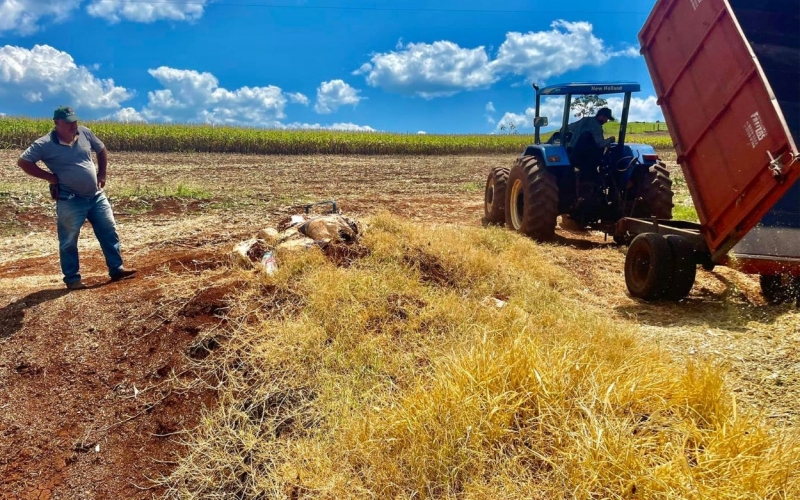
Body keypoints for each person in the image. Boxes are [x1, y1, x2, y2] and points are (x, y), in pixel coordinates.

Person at [17, 106, 136, 290]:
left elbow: (101, 149)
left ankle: (116, 269)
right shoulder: (44, 144)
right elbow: (23, 162)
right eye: (69, 122)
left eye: (75, 121)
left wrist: (102, 173)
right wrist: (49, 176)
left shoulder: (84, 133)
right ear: (56, 123)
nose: (74, 125)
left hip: (96, 197)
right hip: (70, 199)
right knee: (69, 240)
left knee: (108, 230)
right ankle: (72, 279)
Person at [566, 107, 617, 172]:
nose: (606, 121)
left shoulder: (584, 120)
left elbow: (568, 127)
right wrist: (610, 139)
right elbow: (600, 144)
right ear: (601, 116)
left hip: (571, 152)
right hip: (585, 157)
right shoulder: (596, 126)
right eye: (606, 118)